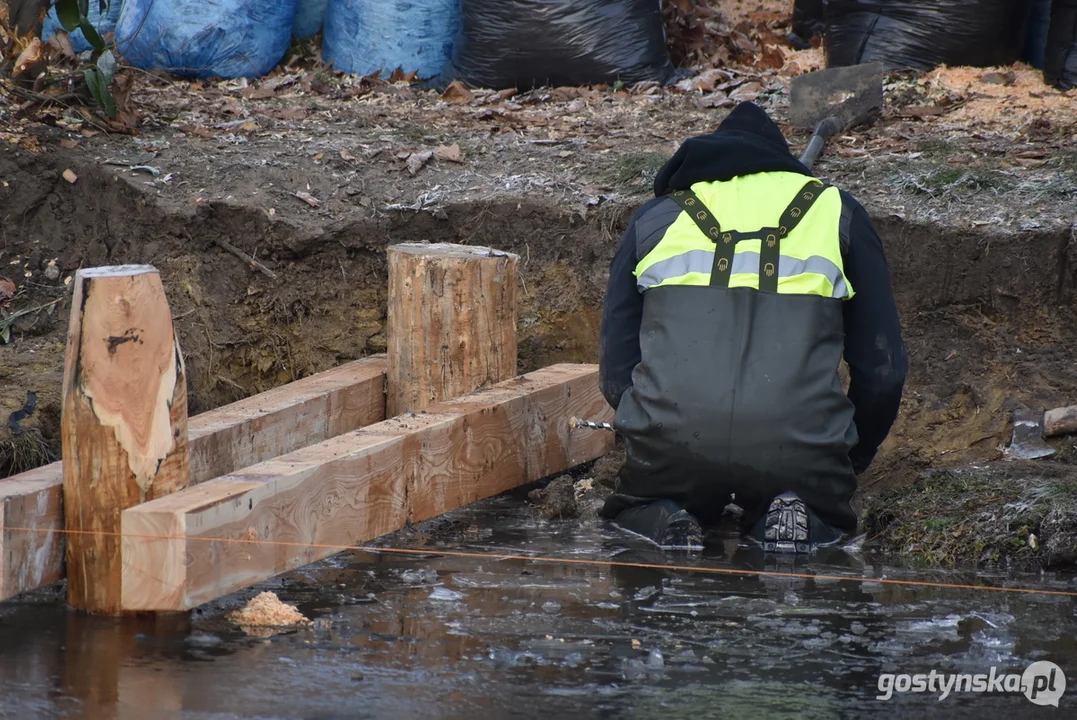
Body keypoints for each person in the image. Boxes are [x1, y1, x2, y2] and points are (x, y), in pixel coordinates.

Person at [597, 101, 907, 553]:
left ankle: (664, 514)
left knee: (635, 509)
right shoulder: (837, 213)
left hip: (672, 442)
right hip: (801, 448)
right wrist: (847, 456)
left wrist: (649, 428)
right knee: (819, 515)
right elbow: (884, 371)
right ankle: (798, 514)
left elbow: (615, 372)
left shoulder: (656, 217)